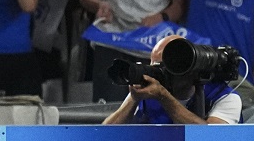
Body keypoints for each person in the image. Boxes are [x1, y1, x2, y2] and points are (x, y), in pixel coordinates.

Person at [103, 35, 242, 124]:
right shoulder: (149, 90)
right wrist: (133, 99)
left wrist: (163, 97)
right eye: (154, 66)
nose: (157, 73)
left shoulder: (225, 97)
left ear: (190, 70)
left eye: (164, 67)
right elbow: (104, 136)